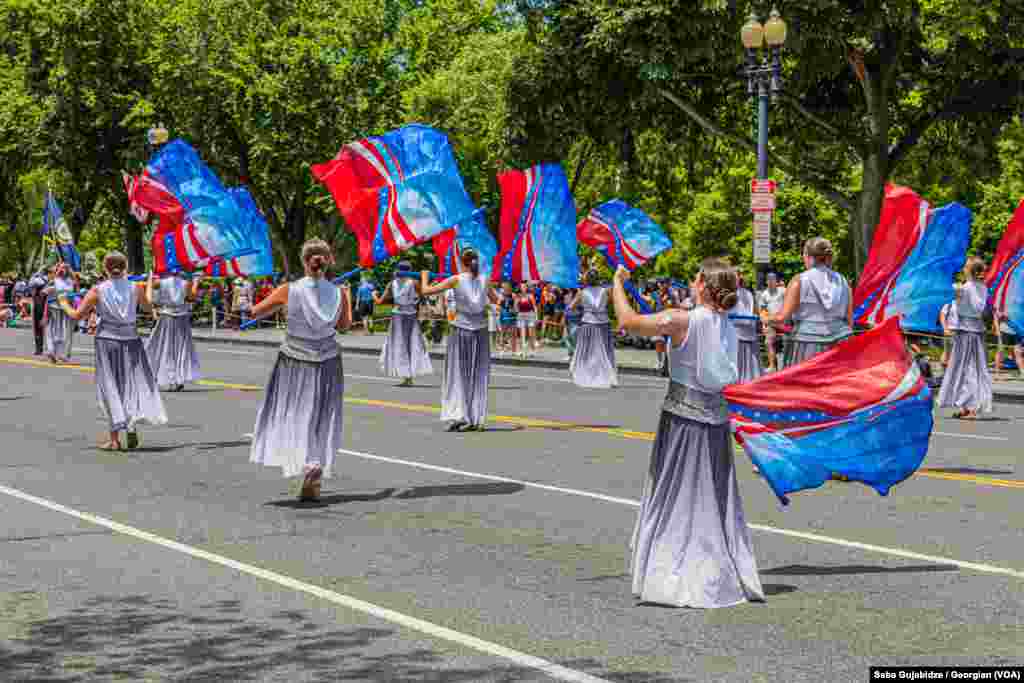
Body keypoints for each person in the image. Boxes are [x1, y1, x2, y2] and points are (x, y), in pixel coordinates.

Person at [612, 258, 763, 609]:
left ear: (703, 286)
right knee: (711, 498)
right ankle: (717, 566)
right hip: (715, 420)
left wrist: (617, 283)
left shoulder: (681, 320)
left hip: (681, 420)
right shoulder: (729, 325)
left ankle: (674, 570)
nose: (691, 283)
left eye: (695, 278)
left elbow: (627, 321)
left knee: (676, 495)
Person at [248, 239, 352, 501]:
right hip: (328, 359)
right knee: (320, 416)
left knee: (294, 413)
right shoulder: (340, 293)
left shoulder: (289, 290)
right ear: (327, 261)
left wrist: (270, 298)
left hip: (294, 359)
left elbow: (255, 312)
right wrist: (345, 299)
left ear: (304, 262)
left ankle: (307, 462)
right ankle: (315, 462)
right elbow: (345, 326)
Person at [59, 252, 167, 451]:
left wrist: (64, 303)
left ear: (105, 268)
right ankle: (131, 424)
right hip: (132, 340)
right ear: (125, 267)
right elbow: (147, 307)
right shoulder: (136, 288)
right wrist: (148, 286)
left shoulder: (98, 290)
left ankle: (115, 439)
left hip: (107, 341)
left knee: (111, 387)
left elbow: (76, 315)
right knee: (131, 384)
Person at [420, 249, 498, 432]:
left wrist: (424, 276)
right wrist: (483, 304)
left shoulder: (456, 279)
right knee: (478, 374)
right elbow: (496, 300)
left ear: (461, 262)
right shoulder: (485, 279)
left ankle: (461, 414)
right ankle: (474, 417)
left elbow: (426, 291)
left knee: (458, 374)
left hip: (461, 330)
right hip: (481, 331)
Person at [772, 238, 852, 368]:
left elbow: (781, 317)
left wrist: (765, 318)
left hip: (807, 345)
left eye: (803, 254)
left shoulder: (799, 280)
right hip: (841, 342)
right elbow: (849, 320)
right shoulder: (843, 281)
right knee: (838, 385)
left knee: (806, 385)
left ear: (808, 257)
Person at [938, 258, 993, 419]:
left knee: (967, 369)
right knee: (972, 368)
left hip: (966, 332)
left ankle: (972, 407)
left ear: (969, 271)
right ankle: (966, 407)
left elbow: (957, 297)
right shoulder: (982, 288)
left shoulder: (965, 288)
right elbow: (979, 308)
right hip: (975, 331)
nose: (963, 269)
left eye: (965, 267)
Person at [375, 261, 432, 386]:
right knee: (412, 344)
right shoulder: (414, 283)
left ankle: (407, 376)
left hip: (397, 316)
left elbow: (380, 301)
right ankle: (408, 375)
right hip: (410, 316)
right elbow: (424, 295)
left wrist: (374, 295)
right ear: (410, 270)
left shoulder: (392, 284)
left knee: (399, 345)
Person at [145, 272, 202, 391]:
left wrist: (150, 280)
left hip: (166, 316)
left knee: (164, 348)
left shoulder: (160, 282)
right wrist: (196, 282)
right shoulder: (186, 282)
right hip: (181, 317)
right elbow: (191, 298)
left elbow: (150, 299)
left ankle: (167, 378)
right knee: (180, 348)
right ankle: (177, 379)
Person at [570, 269, 618, 388]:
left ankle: (588, 373)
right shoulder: (606, 291)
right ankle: (606, 374)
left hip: (588, 322)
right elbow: (614, 304)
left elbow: (571, 307)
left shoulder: (582, 292)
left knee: (587, 351)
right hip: (603, 322)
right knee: (605, 351)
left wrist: (582, 310)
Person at [731, 274, 762, 382]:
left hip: (744, 334)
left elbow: (754, 311)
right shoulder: (732, 293)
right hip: (738, 334)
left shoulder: (747, 293)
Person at [43, 263, 76, 363]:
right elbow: (44, 293)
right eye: (61, 268)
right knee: (53, 330)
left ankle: (63, 354)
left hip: (66, 308)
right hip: (54, 307)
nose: (62, 270)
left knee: (65, 331)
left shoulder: (71, 281)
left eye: (65, 268)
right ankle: (52, 351)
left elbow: (74, 295)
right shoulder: (53, 281)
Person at [758, 272, 785, 371]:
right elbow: (762, 310)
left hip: (783, 322)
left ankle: (786, 365)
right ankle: (772, 366)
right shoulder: (764, 294)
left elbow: (789, 303)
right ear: (766, 281)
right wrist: (764, 323)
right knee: (768, 342)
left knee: (785, 344)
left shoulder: (783, 291)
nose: (770, 282)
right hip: (771, 323)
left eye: (772, 280)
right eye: (768, 280)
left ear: (776, 282)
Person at [993, 307, 1024, 381]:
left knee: (1018, 353)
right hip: (1005, 331)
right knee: (1000, 351)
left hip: (1016, 332)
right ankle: (997, 374)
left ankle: (1022, 372)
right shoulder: (1002, 302)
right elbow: (996, 317)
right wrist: (998, 332)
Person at [517, 282, 539, 357]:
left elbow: (535, 306)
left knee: (530, 334)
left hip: (530, 315)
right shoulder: (518, 296)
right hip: (521, 315)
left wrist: (536, 317)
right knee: (521, 334)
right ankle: (521, 350)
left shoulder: (530, 296)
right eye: (522, 287)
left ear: (526, 288)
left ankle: (532, 350)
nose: (523, 288)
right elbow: (516, 308)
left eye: (524, 287)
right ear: (520, 288)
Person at [29, 269, 48, 354]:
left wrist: (38, 275)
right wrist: (36, 274)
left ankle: (41, 348)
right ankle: (38, 348)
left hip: (42, 306)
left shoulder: (44, 280)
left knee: (41, 328)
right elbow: (32, 284)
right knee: (36, 328)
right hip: (36, 306)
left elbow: (38, 283)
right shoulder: (36, 282)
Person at [498, 281, 519, 355]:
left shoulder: (513, 295)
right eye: (504, 287)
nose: (505, 288)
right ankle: (502, 348)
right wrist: (502, 310)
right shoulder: (501, 296)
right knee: (503, 332)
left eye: (506, 287)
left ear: (509, 287)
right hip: (504, 315)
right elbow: (498, 306)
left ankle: (514, 350)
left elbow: (516, 307)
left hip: (512, 316)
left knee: (513, 333)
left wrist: (514, 310)